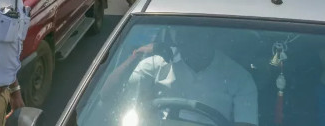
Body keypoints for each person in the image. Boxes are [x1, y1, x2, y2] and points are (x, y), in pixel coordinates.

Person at [101, 26, 258, 126]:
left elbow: (246, 122)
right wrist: (136, 57)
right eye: (181, 34)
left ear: (211, 37)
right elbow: (107, 96)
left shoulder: (238, 77)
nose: (185, 40)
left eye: (194, 34)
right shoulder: (157, 63)